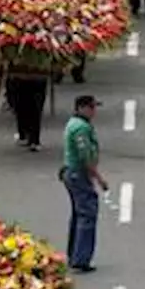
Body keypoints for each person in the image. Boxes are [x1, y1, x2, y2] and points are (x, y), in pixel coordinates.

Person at [61, 95, 108, 272]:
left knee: (78, 214)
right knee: (87, 214)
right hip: (78, 174)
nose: (94, 111)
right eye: (91, 108)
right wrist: (98, 178)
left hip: (71, 173)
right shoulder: (80, 128)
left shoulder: (75, 123)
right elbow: (85, 156)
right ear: (81, 108)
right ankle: (81, 258)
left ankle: (74, 254)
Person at [0, 58, 49, 150]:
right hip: (29, 73)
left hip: (27, 73)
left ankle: (29, 136)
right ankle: (29, 137)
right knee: (27, 105)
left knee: (25, 105)